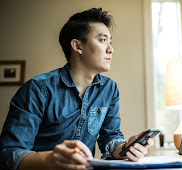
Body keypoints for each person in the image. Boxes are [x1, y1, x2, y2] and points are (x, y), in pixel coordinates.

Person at [0, 8, 154, 170]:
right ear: (77, 46)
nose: (111, 49)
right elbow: (9, 153)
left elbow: (110, 138)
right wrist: (49, 160)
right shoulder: (37, 89)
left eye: (110, 42)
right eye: (102, 40)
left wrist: (126, 148)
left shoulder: (109, 89)